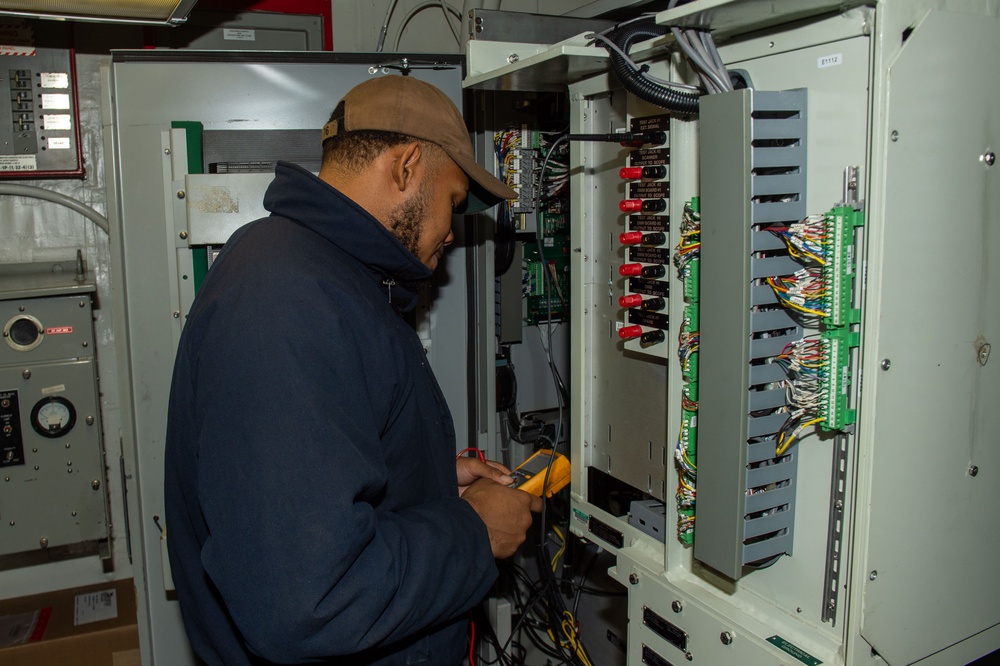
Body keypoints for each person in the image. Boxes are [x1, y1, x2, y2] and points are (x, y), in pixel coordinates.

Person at [164, 75, 542, 665]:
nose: (449, 230)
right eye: (453, 202)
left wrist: (426, 478)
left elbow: (303, 477)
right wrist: (472, 533)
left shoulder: (320, 273)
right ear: (408, 165)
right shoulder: (286, 297)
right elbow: (310, 599)